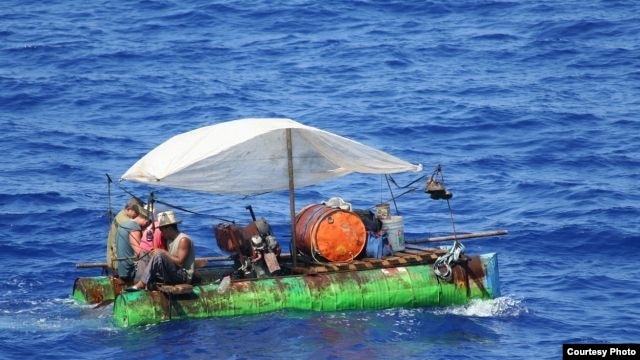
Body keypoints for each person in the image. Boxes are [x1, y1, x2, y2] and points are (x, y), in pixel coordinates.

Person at [127, 211, 195, 291]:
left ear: (168, 228)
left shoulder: (183, 240)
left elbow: (180, 262)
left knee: (159, 254)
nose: (161, 233)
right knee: (145, 253)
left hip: (182, 276)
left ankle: (141, 284)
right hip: (172, 272)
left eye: (162, 230)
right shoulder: (169, 240)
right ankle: (138, 282)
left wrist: (162, 252)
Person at [115, 206, 151, 281]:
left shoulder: (123, 225)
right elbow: (140, 253)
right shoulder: (134, 228)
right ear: (145, 219)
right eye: (148, 222)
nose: (148, 225)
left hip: (122, 269)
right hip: (130, 271)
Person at [107, 197, 143, 271]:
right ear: (128, 209)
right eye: (136, 212)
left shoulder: (124, 215)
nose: (138, 214)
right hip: (118, 260)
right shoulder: (124, 221)